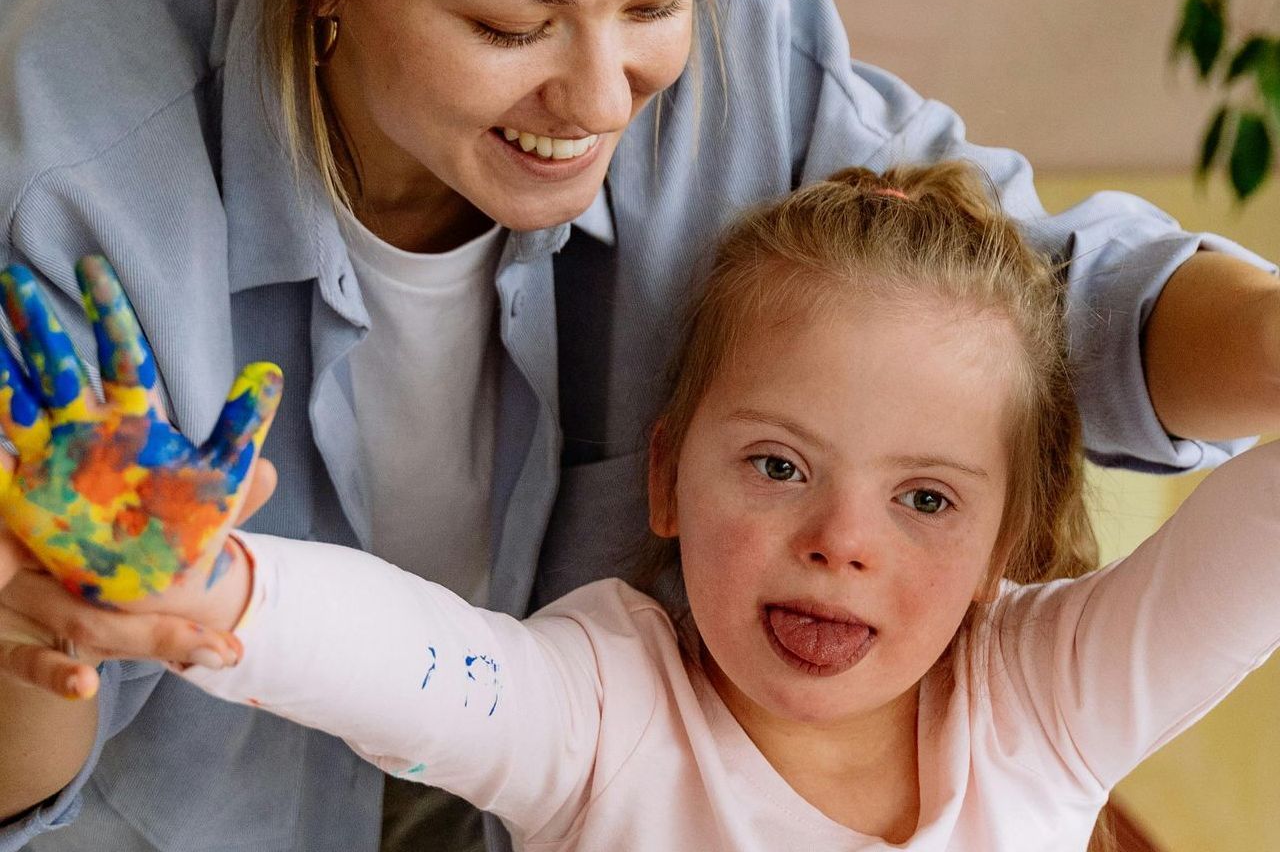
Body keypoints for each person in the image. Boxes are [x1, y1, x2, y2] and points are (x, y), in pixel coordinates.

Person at [0, 0, 1278, 850]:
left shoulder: (1034, 697)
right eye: (511, 22)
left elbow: (1028, 307)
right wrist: (122, 593)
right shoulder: (60, 171)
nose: (603, 96)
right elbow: (412, 665)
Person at [5, 166, 1278, 852]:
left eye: (927, 497)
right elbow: (419, 668)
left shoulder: (1042, 699)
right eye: (777, 464)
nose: (841, 538)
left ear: (1008, 535)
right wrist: (218, 587)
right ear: (665, 475)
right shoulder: (607, 710)